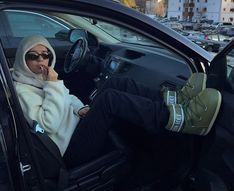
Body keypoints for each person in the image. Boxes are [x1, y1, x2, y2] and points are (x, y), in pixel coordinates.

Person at [12, 35, 222, 168]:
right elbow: (48, 124)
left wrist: (81, 107)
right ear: (23, 59)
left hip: (77, 126)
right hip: (70, 150)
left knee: (115, 83)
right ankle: (180, 119)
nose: (41, 60)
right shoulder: (23, 91)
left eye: (45, 54)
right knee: (110, 99)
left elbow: (68, 97)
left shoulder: (40, 80)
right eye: (33, 56)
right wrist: (53, 85)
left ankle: (175, 99)